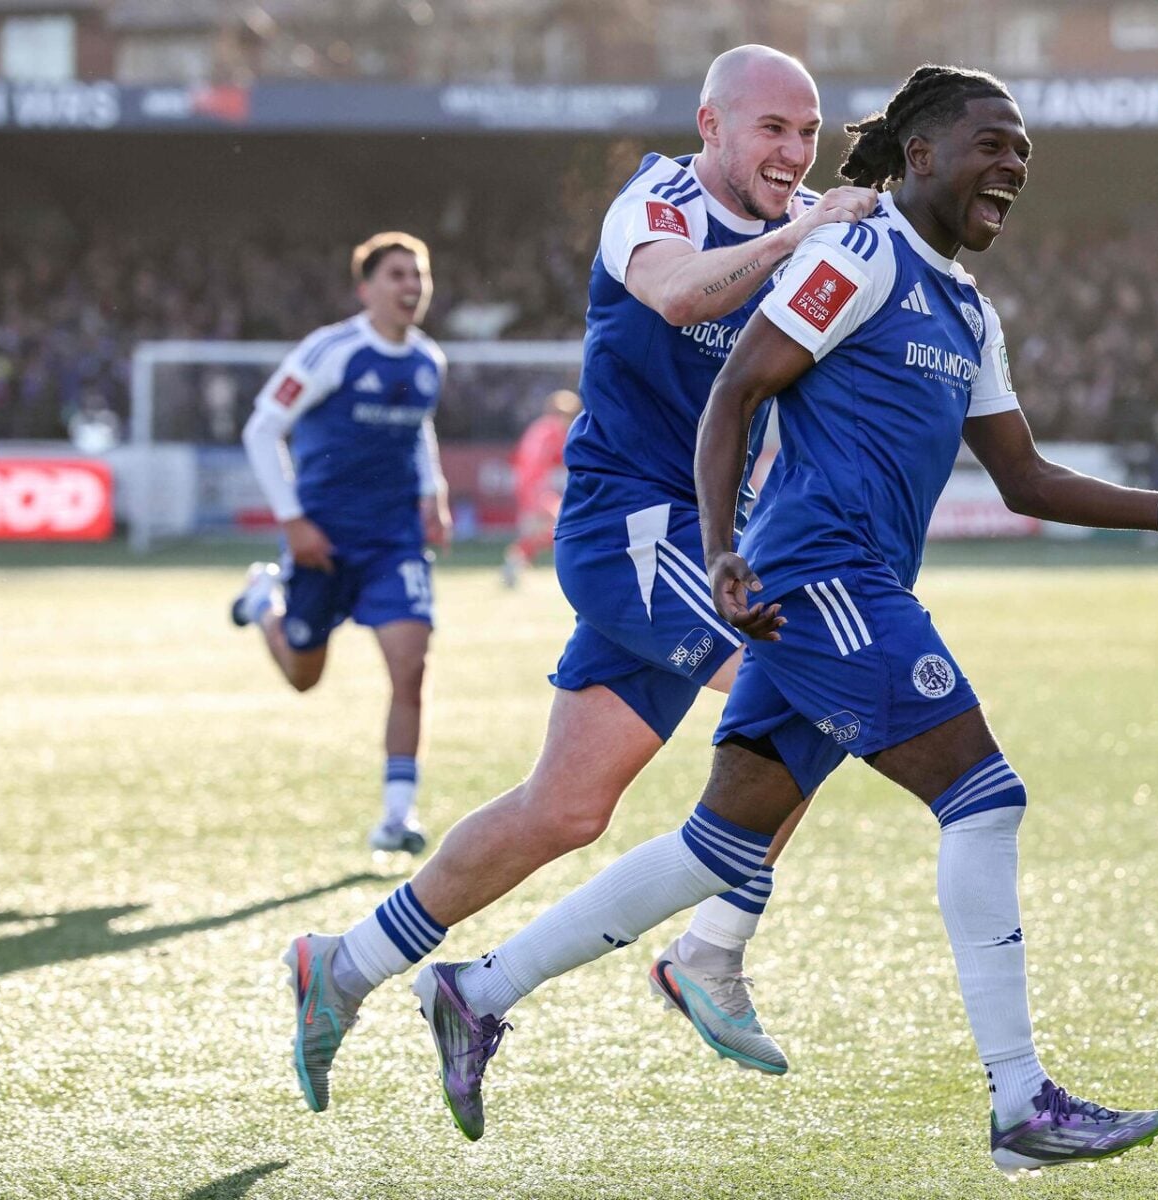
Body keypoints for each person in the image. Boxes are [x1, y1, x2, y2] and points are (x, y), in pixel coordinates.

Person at [408, 66, 1158, 1172]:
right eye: (990, 143)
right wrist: (723, 552)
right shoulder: (857, 256)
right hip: (820, 577)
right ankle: (1020, 1104)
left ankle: (475, 989)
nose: (1011, 166)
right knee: (984, 795)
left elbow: (1021, 478)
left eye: (1024, 154)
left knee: (714, 845)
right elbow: (735, 393)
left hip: (848, 587)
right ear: (920, 155)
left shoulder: (968, 309)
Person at [281, 45, 880, 1118]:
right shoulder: (656, 202)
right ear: (711, 124)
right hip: (629, 530)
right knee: (813, 685)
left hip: (703, 542)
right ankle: (713, 947)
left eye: (808, 133)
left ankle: (351, 965)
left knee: (562, 810)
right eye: (770, 130)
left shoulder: (811, 239)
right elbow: (667, 292)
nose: (794, 154)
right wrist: (805, 234)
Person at [232, 231, 452, 856]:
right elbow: (261, 429)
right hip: (323, 542)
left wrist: (432, 489)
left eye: (419, 276)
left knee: (411, 665)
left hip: (395, 544)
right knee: (304, 675)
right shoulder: (331, 351)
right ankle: (263, 604)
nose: (411, 286)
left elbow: (418, 427)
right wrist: (293, 520)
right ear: (366, 288)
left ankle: (397, 816)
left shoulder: (428, 361)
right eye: (396, 275)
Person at [500, 389, 581, 588]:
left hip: (527, 485)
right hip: (537, 488)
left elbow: (520, 458)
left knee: (544, 530)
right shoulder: (555, 429)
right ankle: (574, 570)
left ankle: (515, 563)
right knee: (564, 525)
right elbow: (569, 457)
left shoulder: (537, 427)